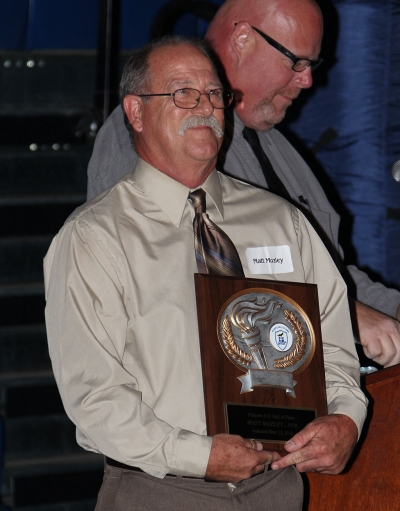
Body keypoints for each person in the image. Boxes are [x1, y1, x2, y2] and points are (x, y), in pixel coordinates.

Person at [44, 37, 367, 510]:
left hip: (276, 488)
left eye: (215, 94)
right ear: (135, 112)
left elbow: (333, 345)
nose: (206, 107)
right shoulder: (94, 239)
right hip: (160, 492)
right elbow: (95, 401)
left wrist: (347, 419)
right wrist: (199, 456)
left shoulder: (281, 221)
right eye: (183, 93)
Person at [86, 0, 400, 368]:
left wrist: (389, 307)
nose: (307, 79)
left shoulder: (281, 150)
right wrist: (339, 314)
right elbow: (165, 279)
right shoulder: (147, 131)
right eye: (296, 61)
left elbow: (331, 274)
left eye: (311, 64)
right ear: (243, 39)